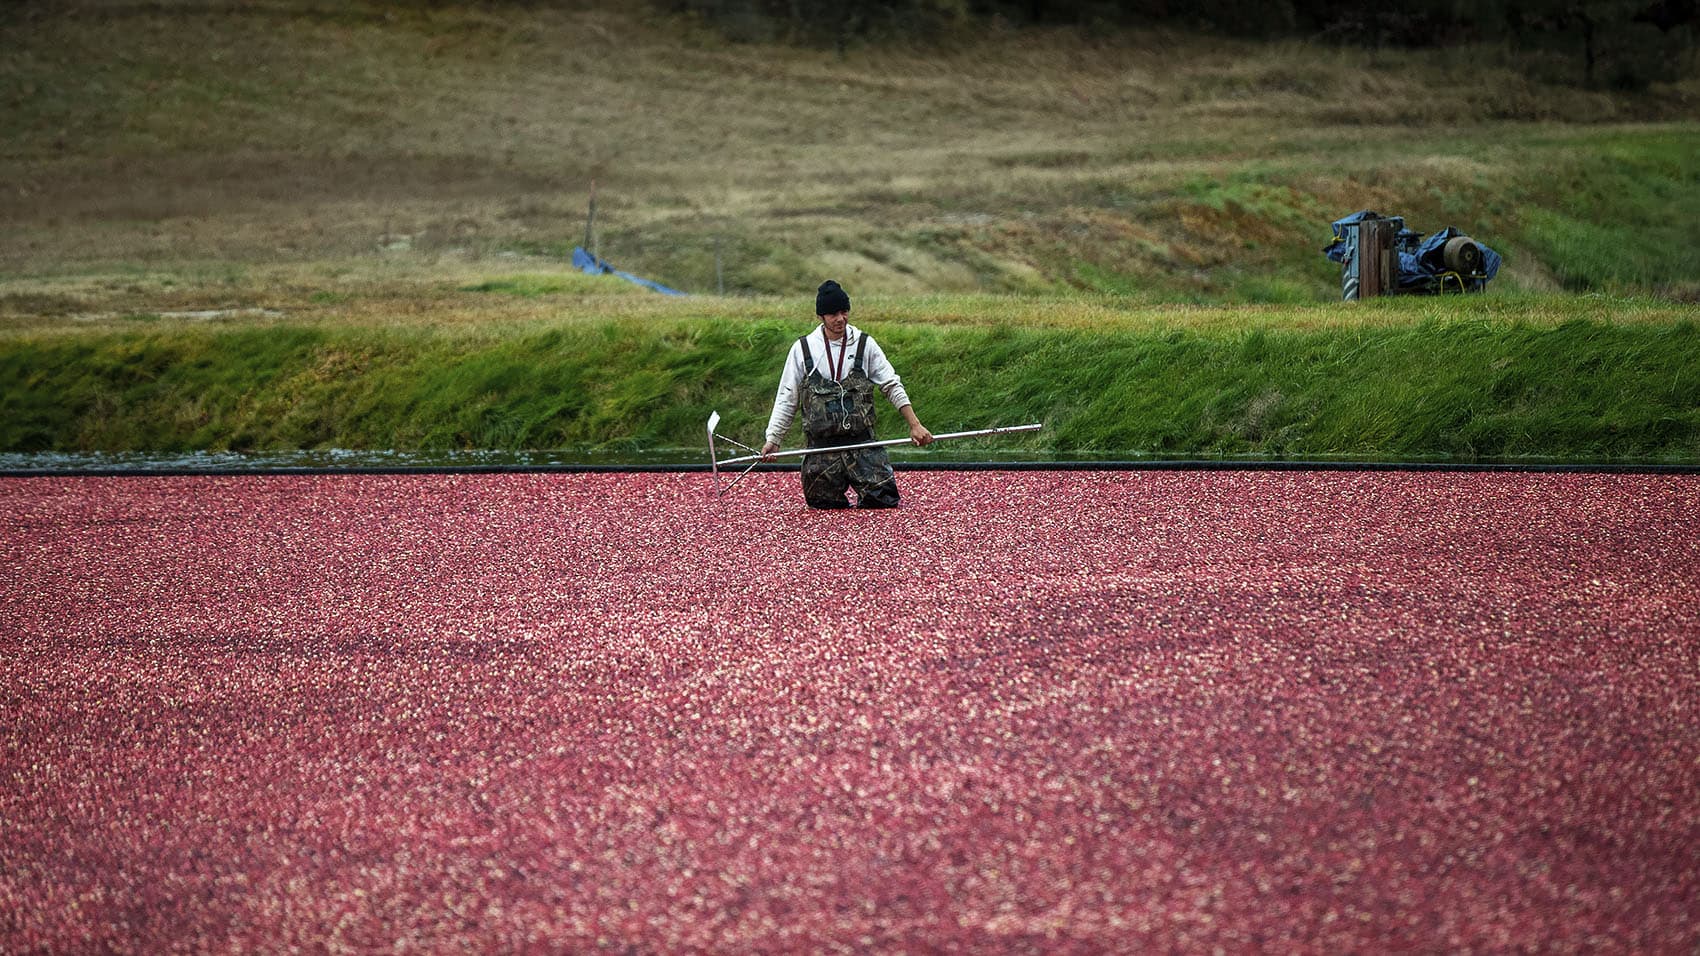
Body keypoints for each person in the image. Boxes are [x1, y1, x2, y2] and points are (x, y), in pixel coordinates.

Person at [760, 280, 933, 508]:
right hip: (822, 450)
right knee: (823, 507)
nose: (840, 319)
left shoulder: (865, 344)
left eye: (844, 311)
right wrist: (774, 439)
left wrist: (915, 425)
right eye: (833, 314)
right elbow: (787, 397)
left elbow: (891, 384)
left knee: (883, 502)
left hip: (863, 446)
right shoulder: (803, 349)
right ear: (821, 316)